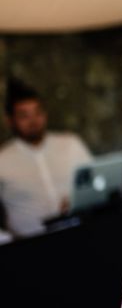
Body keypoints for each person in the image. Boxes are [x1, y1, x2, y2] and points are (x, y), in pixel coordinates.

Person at [0, 80, 93, 238]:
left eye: (37, 112)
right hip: (28, 248)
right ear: (10, 121)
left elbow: (96, 184)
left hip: (81, 233)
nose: (33, 121)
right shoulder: (3, 160)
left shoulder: (70, 144)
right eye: (24, 116)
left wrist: (78, 202)